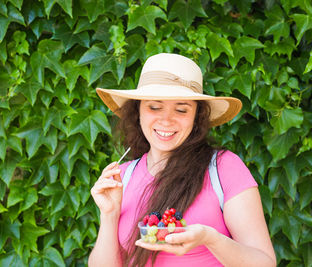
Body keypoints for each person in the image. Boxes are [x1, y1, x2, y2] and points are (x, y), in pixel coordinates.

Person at [88, 53, 276, 267]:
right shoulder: (122, 176)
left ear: (197, 116)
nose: (166, 120)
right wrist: (109, 215)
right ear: (137, 110)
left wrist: (209, 238)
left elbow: (265, 263)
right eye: (154, 107)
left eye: (181, 109)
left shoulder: (224, 168)